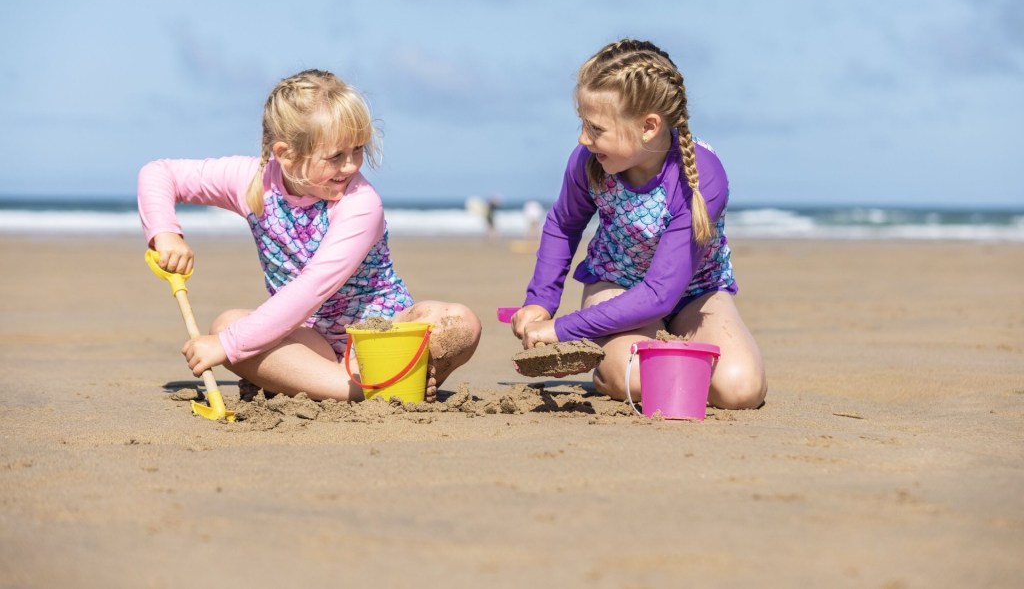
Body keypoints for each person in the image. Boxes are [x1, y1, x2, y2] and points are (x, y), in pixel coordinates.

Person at [138, 69, 481, 402]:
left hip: (380, 337)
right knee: (227, 324)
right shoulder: (250, 181)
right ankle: (366, 389)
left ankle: (359, 381)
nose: (351, 166)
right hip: (307, 341)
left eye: (358, 150)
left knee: (460, 322)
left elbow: (312, 288)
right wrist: (166, 234)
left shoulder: (361, 204)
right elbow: (159, 174)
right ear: (286, 155)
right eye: (335, 157)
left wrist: (228, 347)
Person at [510, 39, 766, 410]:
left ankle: (648, 344)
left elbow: (661, 293)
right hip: (617, 283)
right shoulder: (588, 162)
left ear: (648, 126)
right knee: (635, 380)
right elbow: (564, 225)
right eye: (582, 123)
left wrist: (561, 329)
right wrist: (540, 302)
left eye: (596, 128)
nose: (583, 138)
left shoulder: (701, 179)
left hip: (696, 293)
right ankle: (611, 368)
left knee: (739, 390)